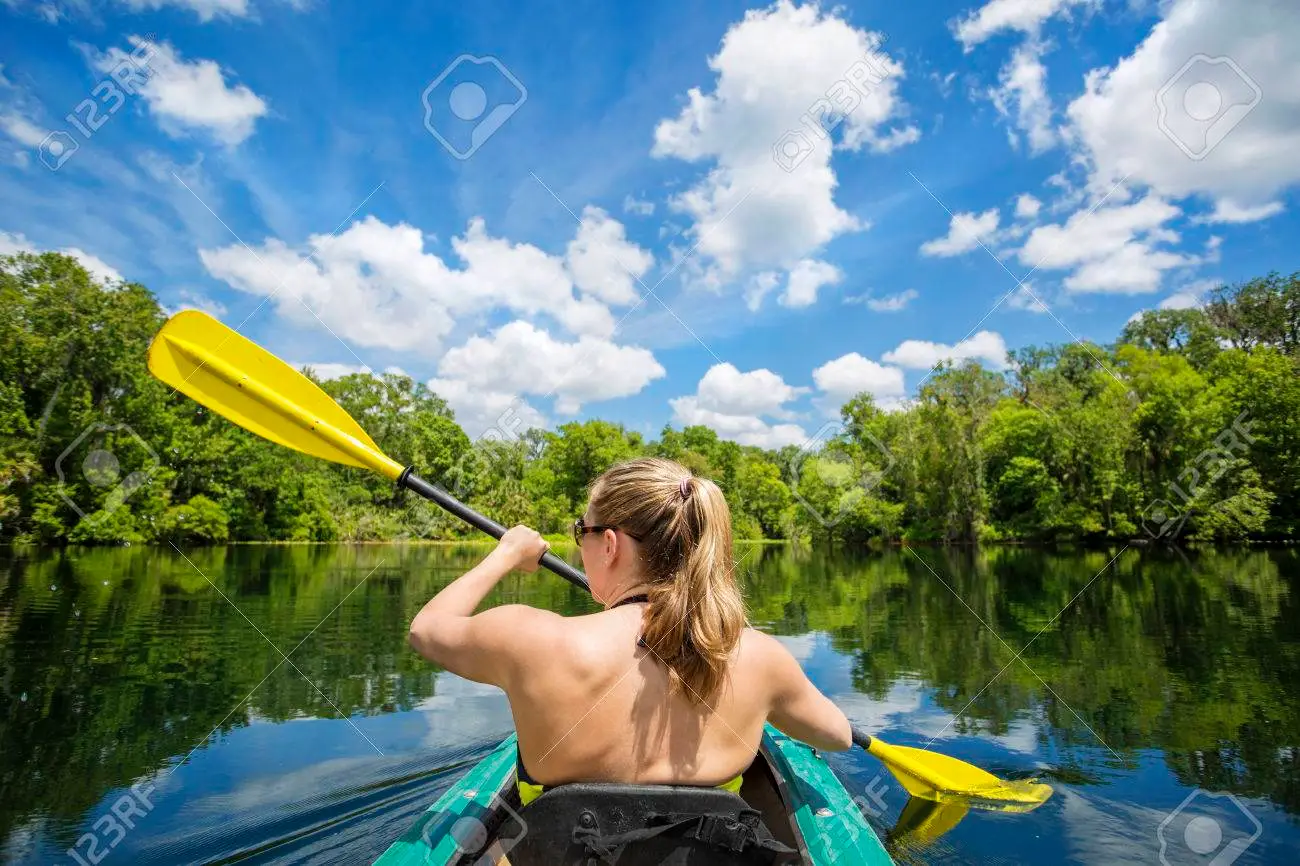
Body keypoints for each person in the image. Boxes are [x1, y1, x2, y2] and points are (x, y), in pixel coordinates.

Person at [408, 456, 852, 808]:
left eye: (581, 530)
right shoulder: (760, 657)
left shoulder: (530, 640)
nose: (579, 543)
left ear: (610, 544)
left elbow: (427, 629)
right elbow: (837, 735)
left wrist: (504, 555)